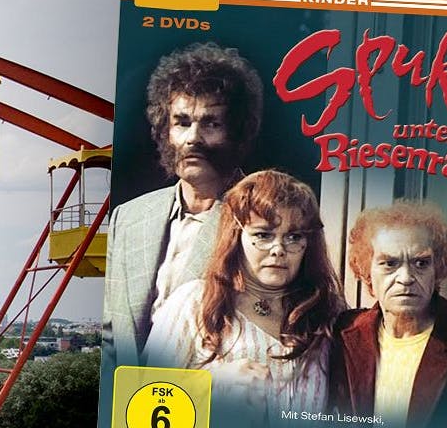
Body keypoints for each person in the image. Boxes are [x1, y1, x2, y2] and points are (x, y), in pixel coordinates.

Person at [104, 42, 265, 365]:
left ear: (238, 132)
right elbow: (112, 336)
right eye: (182, 122)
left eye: (211, 123)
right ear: (165, 131)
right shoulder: (128, 218)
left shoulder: (264, 219)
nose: (193, 138)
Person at [146, 171, 343, 414]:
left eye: (294, 237)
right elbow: (140, 409)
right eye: (263, 235)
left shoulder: (328, 314)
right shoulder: (192, 302)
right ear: (235, 237)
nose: (278, 249)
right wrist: (212, 386)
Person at [329, 202, 447, 428]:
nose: (406, 277)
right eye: (389, 263)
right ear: (366, 270)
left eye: (421, 263)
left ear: (437, 268)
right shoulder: (342, 333)